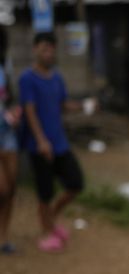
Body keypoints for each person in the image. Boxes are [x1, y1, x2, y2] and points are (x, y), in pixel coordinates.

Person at [18, 32, 85, 253]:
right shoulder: (27, 79)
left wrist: (85, 106)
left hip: (60, 143)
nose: (49, 53)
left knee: (75, 183)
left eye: (52, 49)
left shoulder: (57, 78)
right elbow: (30, 110)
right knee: (44, 193)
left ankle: (52, 221)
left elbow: (64, 104)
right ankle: (47, 232)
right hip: (40, 146)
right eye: (45, 48)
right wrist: (41, 140)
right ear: (36, 49)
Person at [0, 26, 19, 254]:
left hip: (8, 132)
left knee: (11, 188)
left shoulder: (6, 64)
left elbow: (12, 97)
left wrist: (15, 110)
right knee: (2, 189)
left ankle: (3, 237)